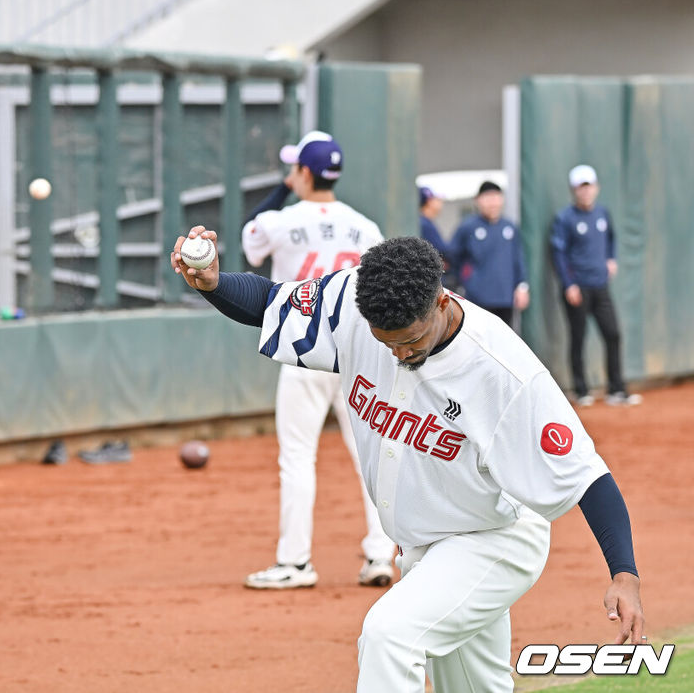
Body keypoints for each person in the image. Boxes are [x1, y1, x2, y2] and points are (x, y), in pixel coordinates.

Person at [171, 231, 644, 692]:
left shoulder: (501, 370)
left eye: (410, 341)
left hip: (493, 540)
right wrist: (214, 283)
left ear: (440, 302)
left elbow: (587, 475)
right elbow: (270, 301)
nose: (398, 353)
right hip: (425, 548)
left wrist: (624, 573)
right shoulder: (351, 301)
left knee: (389, 637)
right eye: (386, 342)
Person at [239, 130, 394, 589]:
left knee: (298, 458)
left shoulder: (281, 220)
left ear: (303, 173)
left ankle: (295, 562)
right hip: (355, 353)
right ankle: (382, 555)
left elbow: (250, 236)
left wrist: (284, 187)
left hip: (303, 352)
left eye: (295, 168)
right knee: (371, 458)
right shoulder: (365, 227)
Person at [551, 165, 641, 407]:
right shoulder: (564, 218)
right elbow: (559, 253)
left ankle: (616, 389)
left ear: (596, 188)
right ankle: (581, 391)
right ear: (573, 190)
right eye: (581, 187)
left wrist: (611, 259)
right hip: (577, 288)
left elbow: (611, 238)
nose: (586, 192)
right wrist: (569, 284)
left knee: (613, 334)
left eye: (589, 186)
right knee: (578, 338)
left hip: (600, 286)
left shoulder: (602, 214)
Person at [448, 181, 529, 326]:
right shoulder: (468, 227)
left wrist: (521, 286)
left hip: (505, 298)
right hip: (477, 298)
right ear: (478, 200)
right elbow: (452, 256)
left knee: (504, 340)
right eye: (488, 197)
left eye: (496, 197)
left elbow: (517, 259)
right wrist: (464, 281)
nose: (493, 202)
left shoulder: (509, 227)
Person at [418, 186, 456, 290]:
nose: (441, 202)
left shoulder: (426, 222)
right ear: (429, 201)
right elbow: (443, 251)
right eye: (437, 199)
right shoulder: (424, 224)